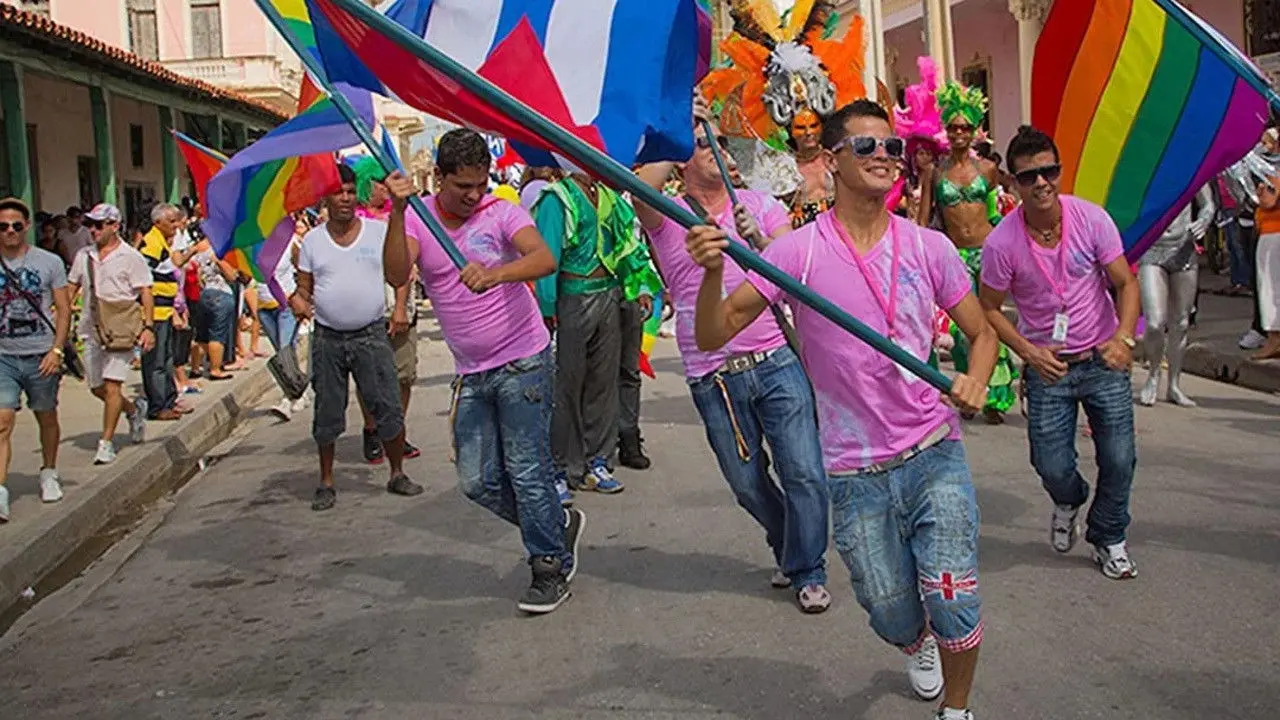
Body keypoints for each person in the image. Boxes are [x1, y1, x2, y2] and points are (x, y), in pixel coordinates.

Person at [689, 100, 997, 719]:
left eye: (891, 148)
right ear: (831, 162)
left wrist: (976, 377)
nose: (884, 156)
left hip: (933, 451)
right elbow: (715, 332)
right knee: (888, 608)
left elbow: (982, 332)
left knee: (953, 593)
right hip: (854, 471)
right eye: (867, 147)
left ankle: (958, 712)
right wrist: (712, 273)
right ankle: (914, 643)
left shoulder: (927, 246)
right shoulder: (796, 255)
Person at [633, 101, 833, 613]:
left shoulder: (760, 205)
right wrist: (678, 124)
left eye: (721, 142)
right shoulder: (667, 216)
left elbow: (793, 276)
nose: (717, 150)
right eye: (704, 143)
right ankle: (789, 540)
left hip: (774, 359)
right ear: (680, 158)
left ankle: (808, 568)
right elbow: (638, 188)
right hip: (713, 374)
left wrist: (759, 240)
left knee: (805, 473)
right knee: (747, 484)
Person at [383, 128, 584, 615]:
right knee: (477, 482)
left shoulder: (502, 213)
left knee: (527, 469)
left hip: (524, 362)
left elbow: (543, 257)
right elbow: (394, 274)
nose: (474, 195)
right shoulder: (419, 220)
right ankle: (556, 527)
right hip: (472, 372)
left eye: (481, 183)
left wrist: (494, 273)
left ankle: (548, 568)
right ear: (440, 179)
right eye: (462, 187)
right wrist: (396, 211)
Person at [979, 125, 1141, 580]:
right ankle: (1068, 499)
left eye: (1048, 171)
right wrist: (1029, 354)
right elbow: (989, 309)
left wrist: (1124, 339)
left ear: (1060, 171)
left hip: (1101, 357)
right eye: (1028, 177)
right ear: (1013, 183)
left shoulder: (1091, 219)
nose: (1041, 183)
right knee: (1050, 464)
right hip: (1048, 369)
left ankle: (1108, 535)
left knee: (1120, 457)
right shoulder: (1001, 244)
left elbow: (1125, 282)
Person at [294, 163, 421, 512]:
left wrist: (398, 308)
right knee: (328, 413)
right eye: (340, 192)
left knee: (388, 408)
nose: (347, 198)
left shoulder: (378, 233)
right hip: (328, 339)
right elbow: (304, 289)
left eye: (351, 191)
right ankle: (326, 481)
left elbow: (400, 273)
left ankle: (397, 473)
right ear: (326, 198)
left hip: (371, 335)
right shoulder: (312, 241)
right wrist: (298, 301)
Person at [533, 173, 661, 497]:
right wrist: (548, 307)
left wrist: (640, 285)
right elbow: (547, 256)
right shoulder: (557, 197)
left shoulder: (609, 196)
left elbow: (629, 245)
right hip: (572, 296)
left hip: (610, 294)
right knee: (568, 386)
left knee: (604, 384)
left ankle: (596, 461)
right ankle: (561, 467)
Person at [919, 80, 1019, 425]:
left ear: (975, 131)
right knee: (963, 330)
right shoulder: (934, 171)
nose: (959, 133)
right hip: (955, 255)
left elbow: (1003, 211)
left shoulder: (988, 170)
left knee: (992, 320)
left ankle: (998, 396)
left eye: (965, 127)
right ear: (946, 131)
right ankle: (970, 387)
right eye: (953, 127)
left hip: (986, 253)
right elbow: (924, 218)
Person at [0, 197, 72, 521]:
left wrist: (57, 349)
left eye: (16, 225)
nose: (10, 231)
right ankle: (0, 490)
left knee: (46, 415)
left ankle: (49, 471)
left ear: (26, 226)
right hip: (4, 356)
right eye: (3, 227)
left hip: (41, 353)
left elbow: (63, 307)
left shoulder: (49, 262)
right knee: (2, 421)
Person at [66, 204, 151, 465]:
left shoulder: (130, 257)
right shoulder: (84, 256)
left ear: (114, 226)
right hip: (92, 328)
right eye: (90, 224)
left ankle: (106, 442)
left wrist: (148, 326)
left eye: (99, 225)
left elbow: (145, 291)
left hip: (121, 327)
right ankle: (132, 409)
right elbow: (72, 285)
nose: (93, 230)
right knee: (97, 387)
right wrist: (63, 314)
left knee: (113, 385)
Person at [1137, 184, 1214, 407]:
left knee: (1180, 321)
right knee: (1154, 322)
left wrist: (1204, 219)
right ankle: (1153, 373)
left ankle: (1174, 384)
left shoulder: (1191, 166)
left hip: (1184, 248)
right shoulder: (1148, 169)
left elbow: (1208, 203)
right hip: (1152, 248)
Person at [138, 203, 196, 421]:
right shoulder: (151, 243)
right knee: (156, 362)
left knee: (168, 358)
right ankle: (157, 405)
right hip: (156, 312)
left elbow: (176, 262)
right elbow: (144, 279)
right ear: (158, 222)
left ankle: (169, 400)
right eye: (171, 221)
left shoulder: (163, 242)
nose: (175, 225)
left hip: (166, 307)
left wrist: (192, 250)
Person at [191, 238, 240, 380]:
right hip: (222, 293)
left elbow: (198, 277)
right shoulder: (221, 251)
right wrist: (221, 262)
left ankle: (195, 367)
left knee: (201, 335)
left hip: (204, 293)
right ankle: (215, 369)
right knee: (217, 334)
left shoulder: (198, 251)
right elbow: (231, 276)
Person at [1253, 164, 1280, 359]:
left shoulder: (1274, 172)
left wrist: (1259, 189)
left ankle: (1274, 339)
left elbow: (1269, 201)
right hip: (1269, 232)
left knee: (1270, 288)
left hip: (1274, 234)